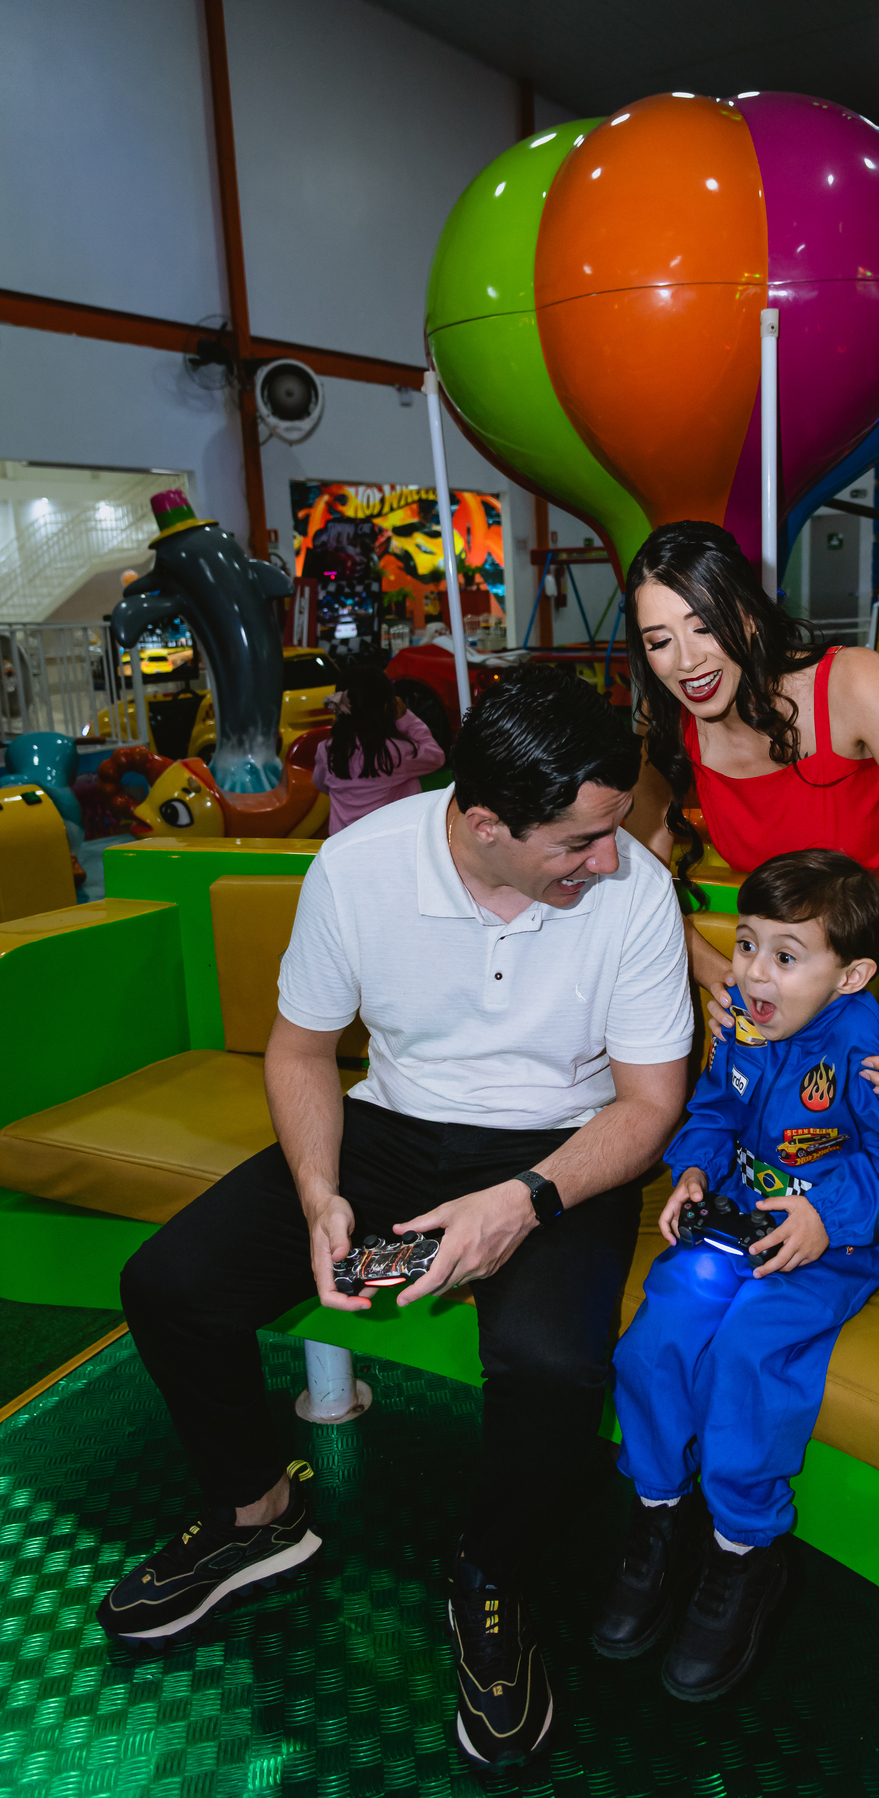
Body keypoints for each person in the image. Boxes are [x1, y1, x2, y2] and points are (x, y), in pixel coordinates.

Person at [99, 666, 694, 1770]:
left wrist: (523, 1205)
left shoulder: (636, 891)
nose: (610, 858)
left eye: (614, 830)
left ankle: (493, 1576)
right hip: (388, 1127)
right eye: (580, 840)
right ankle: (255, 1513)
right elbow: (301, 1049)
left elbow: (651, 1103)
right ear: (483, 823)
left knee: (554, 1363)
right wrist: (322, 1192)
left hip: (558, 1146)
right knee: (172, 1285)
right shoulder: (358, 866)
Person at [593, 848, 879, 1700]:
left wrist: (828, 1218)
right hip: (734, 1221)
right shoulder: (747, 1024)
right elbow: (714, 1111)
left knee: (748, 1355)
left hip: (836, 1244)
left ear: (853, 974)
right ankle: (657, 1513)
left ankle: (744, 1551)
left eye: (785, 957)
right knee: (654, 1342)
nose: (752, 970)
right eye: (747, 943)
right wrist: (691, 1172)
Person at [621, 520, 879, 1105]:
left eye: (705, 626)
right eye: (659, 640)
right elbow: (634, 882)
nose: (687, 662)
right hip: (774, 998)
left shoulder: (851, 680)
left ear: (747, 613)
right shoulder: (666, 725)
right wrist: (721, 974)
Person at [312, 662, 445, 833]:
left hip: (341, 844)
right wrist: (406, 718)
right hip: (385, 842)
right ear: (386, 707)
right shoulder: (396, 752)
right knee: (410, 782)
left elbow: (320, 783)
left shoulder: (327, 750)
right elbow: (436, 756)